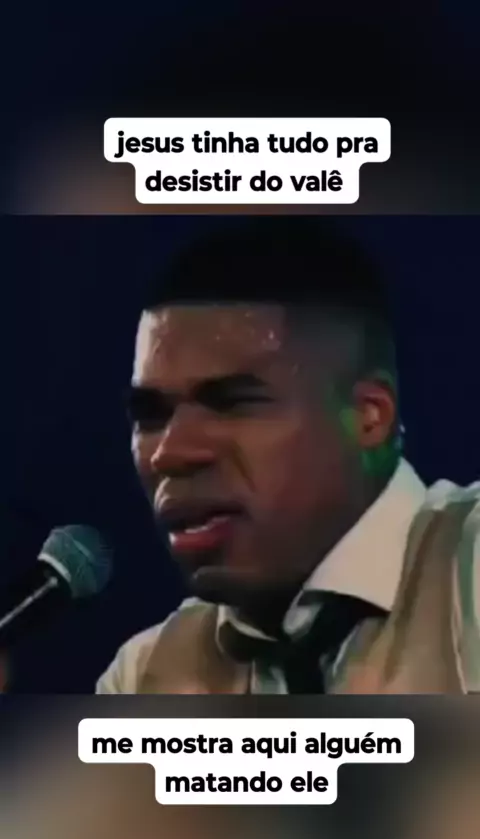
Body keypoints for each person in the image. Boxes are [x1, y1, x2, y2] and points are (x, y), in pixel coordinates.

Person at [97, 217, 480, 694]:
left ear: (369, 417)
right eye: (151, 415)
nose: (169, 454)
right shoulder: (145, 677)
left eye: (232, 403)